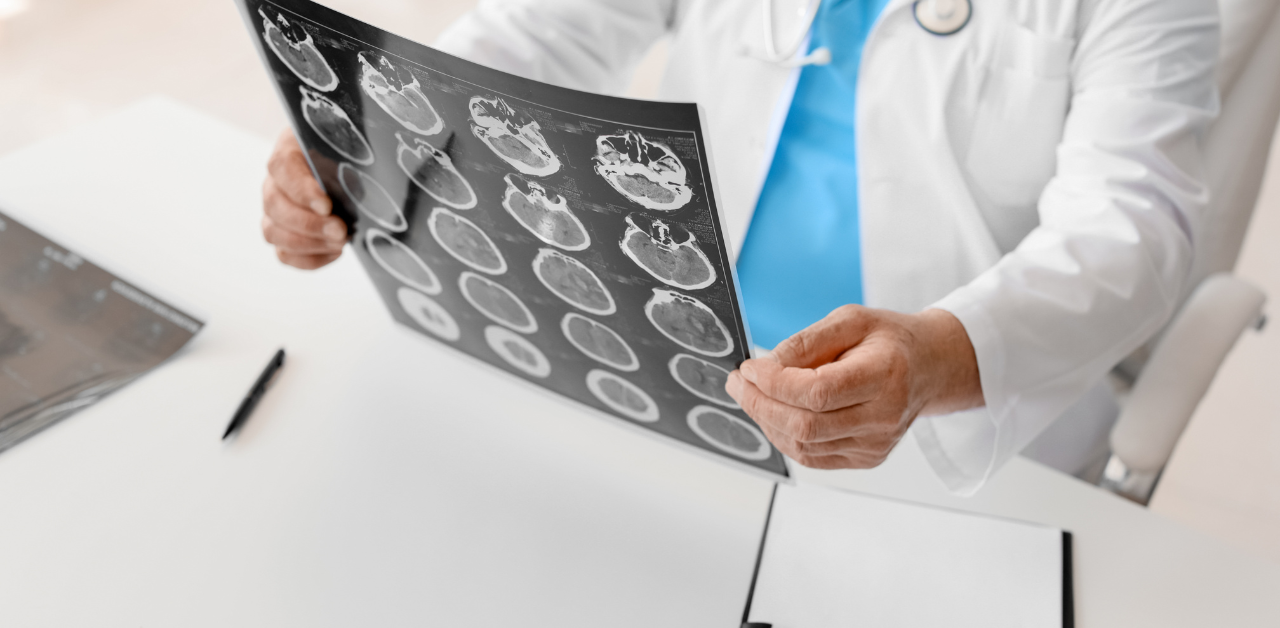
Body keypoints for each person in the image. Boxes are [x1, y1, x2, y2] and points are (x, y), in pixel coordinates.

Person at [260, 0, 1219, 494]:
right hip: (667, 365)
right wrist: (364, 136)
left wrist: (933, 359)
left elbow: (1133, 226)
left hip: (955, 434)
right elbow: (540, 32)